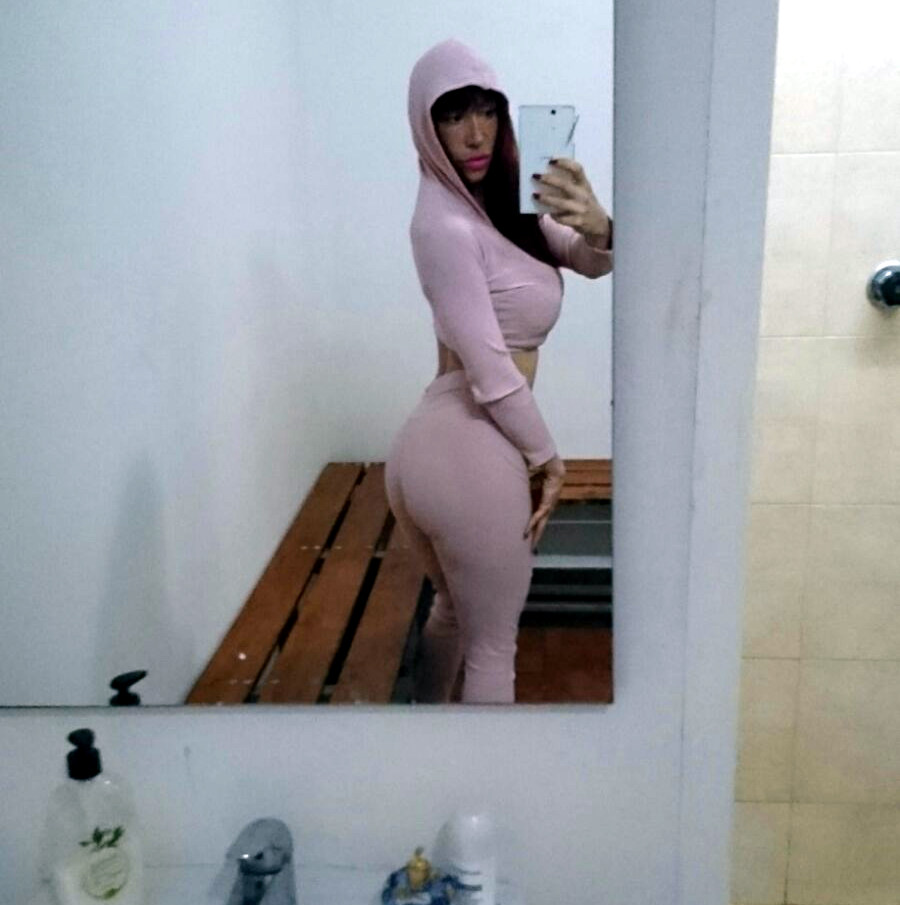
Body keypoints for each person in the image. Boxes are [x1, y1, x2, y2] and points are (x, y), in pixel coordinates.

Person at [384, 38, 613, 704]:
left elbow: (586, 259)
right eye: (454, 115)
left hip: (438, 444)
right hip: (471, 445)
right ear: (426, 126)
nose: (476, 133)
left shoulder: (500, 203)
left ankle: (428, 735)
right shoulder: (441, 225)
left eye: (487, 110)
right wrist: (548, 458)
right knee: (494, 650)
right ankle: (487, 771)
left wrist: (599, 224)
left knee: (455, 615)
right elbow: (489, 371)